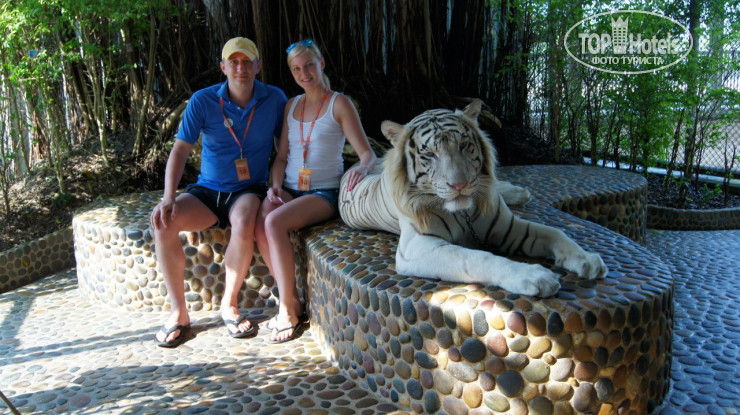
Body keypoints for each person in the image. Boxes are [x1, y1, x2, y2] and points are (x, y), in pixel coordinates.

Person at [151, 37, 287, 347]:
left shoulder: (275, 99)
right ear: (223, 67)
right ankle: (178, 312)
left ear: (258, 66)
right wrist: (169, 197)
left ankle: (230, 304)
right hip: (207, 190)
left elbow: (285, 149)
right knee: (162, 223)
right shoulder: (203, 100)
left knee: (244, 220)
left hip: (248, 189)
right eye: (234, 62)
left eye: (247, 61)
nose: (241, 68)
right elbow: (180, 150)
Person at [255, 39, 377, 343]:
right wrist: (275, 186)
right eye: (297, 69)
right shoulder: (291, 105)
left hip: (323, 193)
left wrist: (361, 169)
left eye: (309, 65)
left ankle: (287, 310)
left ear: (321, 64)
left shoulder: (339, 103)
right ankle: (292, 300)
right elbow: (281, 157)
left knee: (274, 222)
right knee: (262, 217)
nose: (304, 73)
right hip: (290, 189)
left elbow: (367, 154)